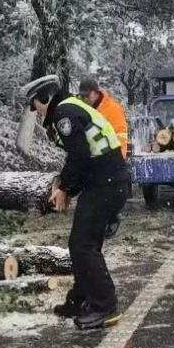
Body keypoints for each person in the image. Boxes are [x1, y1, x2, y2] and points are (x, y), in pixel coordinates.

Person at [20, 75, 130, 331]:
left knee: (83, 245)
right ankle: (82, 299)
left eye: (34, 104)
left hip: (107, 183)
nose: (34, 111)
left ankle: (105, 306)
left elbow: (79, 157)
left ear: (44, 98)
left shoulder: (63, 113)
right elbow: (84, 156)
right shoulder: (70, 107)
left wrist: (66, 189)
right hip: (106, 181)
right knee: (82, 244)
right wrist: (67, 188)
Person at [78, 75, 129, 159]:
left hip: (109, 161)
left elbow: (121, 137)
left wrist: (117, 162)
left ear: (96, 92)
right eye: (83, 96)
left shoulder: (113, 109)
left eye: (87, 96)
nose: (85, 99)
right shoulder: (81, 107)